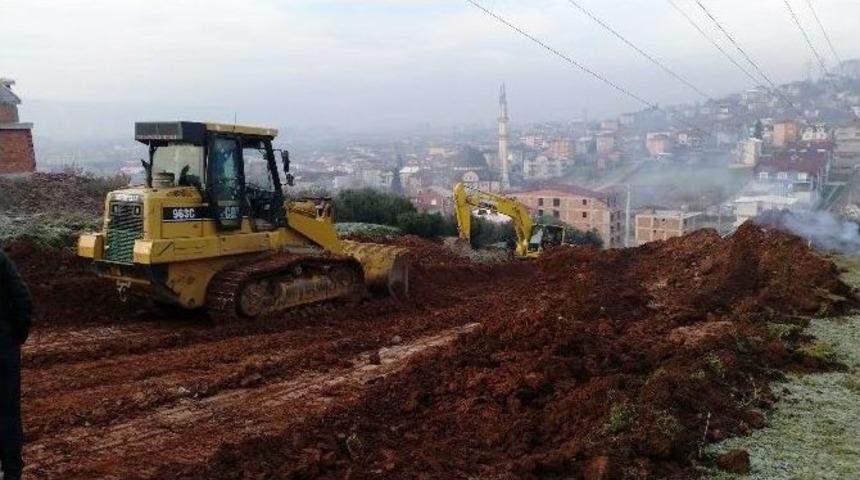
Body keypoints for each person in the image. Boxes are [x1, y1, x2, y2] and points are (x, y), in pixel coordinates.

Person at [0, 249, 31, 480]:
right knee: (8, 413)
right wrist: (15, 336)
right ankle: (12, 472)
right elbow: (22, 297)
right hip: (3, 347)